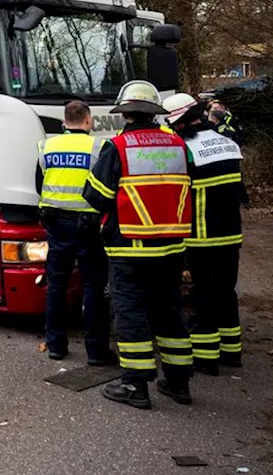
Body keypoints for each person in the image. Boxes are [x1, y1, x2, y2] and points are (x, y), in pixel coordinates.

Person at [83, 80, 194, 409]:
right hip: (172, 247)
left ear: (126, 113)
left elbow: (96, 197)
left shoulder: (117, 147)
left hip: (130, 247)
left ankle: (135, 385)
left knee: (130, 313)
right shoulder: (178, 145)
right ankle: (178, 382)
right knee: (169, 311)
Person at [163, 93, 247, 375]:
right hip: (231, 235)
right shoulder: (227, 143)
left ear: (183, 122)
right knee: (227, 291)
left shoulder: (186, 150)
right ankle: (232, 351)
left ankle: (206, 358)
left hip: (202, 236)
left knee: (204, 295)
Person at [34, 100, 112, 365]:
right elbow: (105, 189)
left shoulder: (47, 146)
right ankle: (96, 352)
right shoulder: (99, 147)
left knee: (56, 285)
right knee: (92, 288)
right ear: (88, 120)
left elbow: (39, 184)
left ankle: (56, 345)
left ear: (64, 122)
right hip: (89, 227)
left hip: (56, 225)